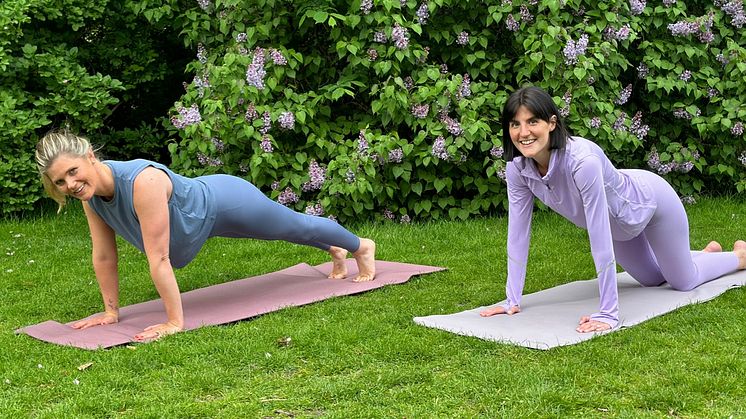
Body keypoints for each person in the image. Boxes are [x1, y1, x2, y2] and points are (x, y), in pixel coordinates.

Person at [35, 130, 376, 341]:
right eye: (60, 182)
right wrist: (111, 313)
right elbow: (105, 256)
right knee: (283, 233)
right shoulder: (91, 199)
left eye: (72, 172)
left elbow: (160, 257)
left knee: (291, 226)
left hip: (224, 201)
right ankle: (335, 248)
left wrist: (173, 321)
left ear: (90, 157)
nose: (70, 185)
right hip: (198, 223)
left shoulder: (143, 181)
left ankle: (360, 246)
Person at [479, 86, 746, 333]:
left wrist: (608, 313)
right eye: (515, 124)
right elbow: (517, 234)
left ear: (552, 123)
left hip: (652, 205)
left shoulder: (583, 162)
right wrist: (511, 299)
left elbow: (599, 233)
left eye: (532, 121)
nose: (523, 133)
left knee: (683, 282)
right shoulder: (518, 169)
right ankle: (699, 256)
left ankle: (738, 257)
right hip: (619, 227)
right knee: (652, 280)